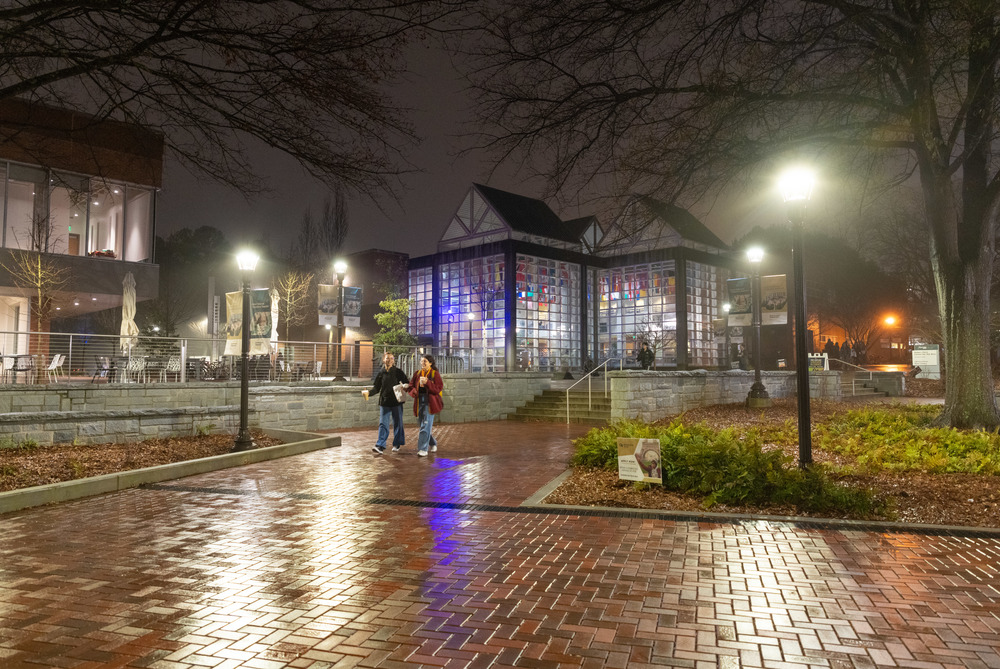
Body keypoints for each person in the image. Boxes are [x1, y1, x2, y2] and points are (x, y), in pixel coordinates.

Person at [363, 352, 409, 455]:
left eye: (392, 358)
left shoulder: (398, 372)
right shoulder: (381, 373)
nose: (390, 360)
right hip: (384, 402)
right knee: (383, 424)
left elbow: (407, 382)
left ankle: (397, 443)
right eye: (387, 358)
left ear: (393, 360)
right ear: (384, 360)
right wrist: (368, 393)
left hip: (396, 402)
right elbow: (376, 388)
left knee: (398, 423)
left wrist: (405, 386)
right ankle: (380, 445)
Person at [408, 354, 443, 457]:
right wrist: (413, 390)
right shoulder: (417, 373)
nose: (422, 363)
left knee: (425, 425)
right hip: (419, 402)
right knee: (422, 425)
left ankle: (423, 449)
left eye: (425, 361)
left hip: (430, 403)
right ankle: (433, 443)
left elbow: (438, 388)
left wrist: (428, 383)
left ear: (430, 363)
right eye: (422, 361)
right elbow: (411, 386)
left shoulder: (435, 374)